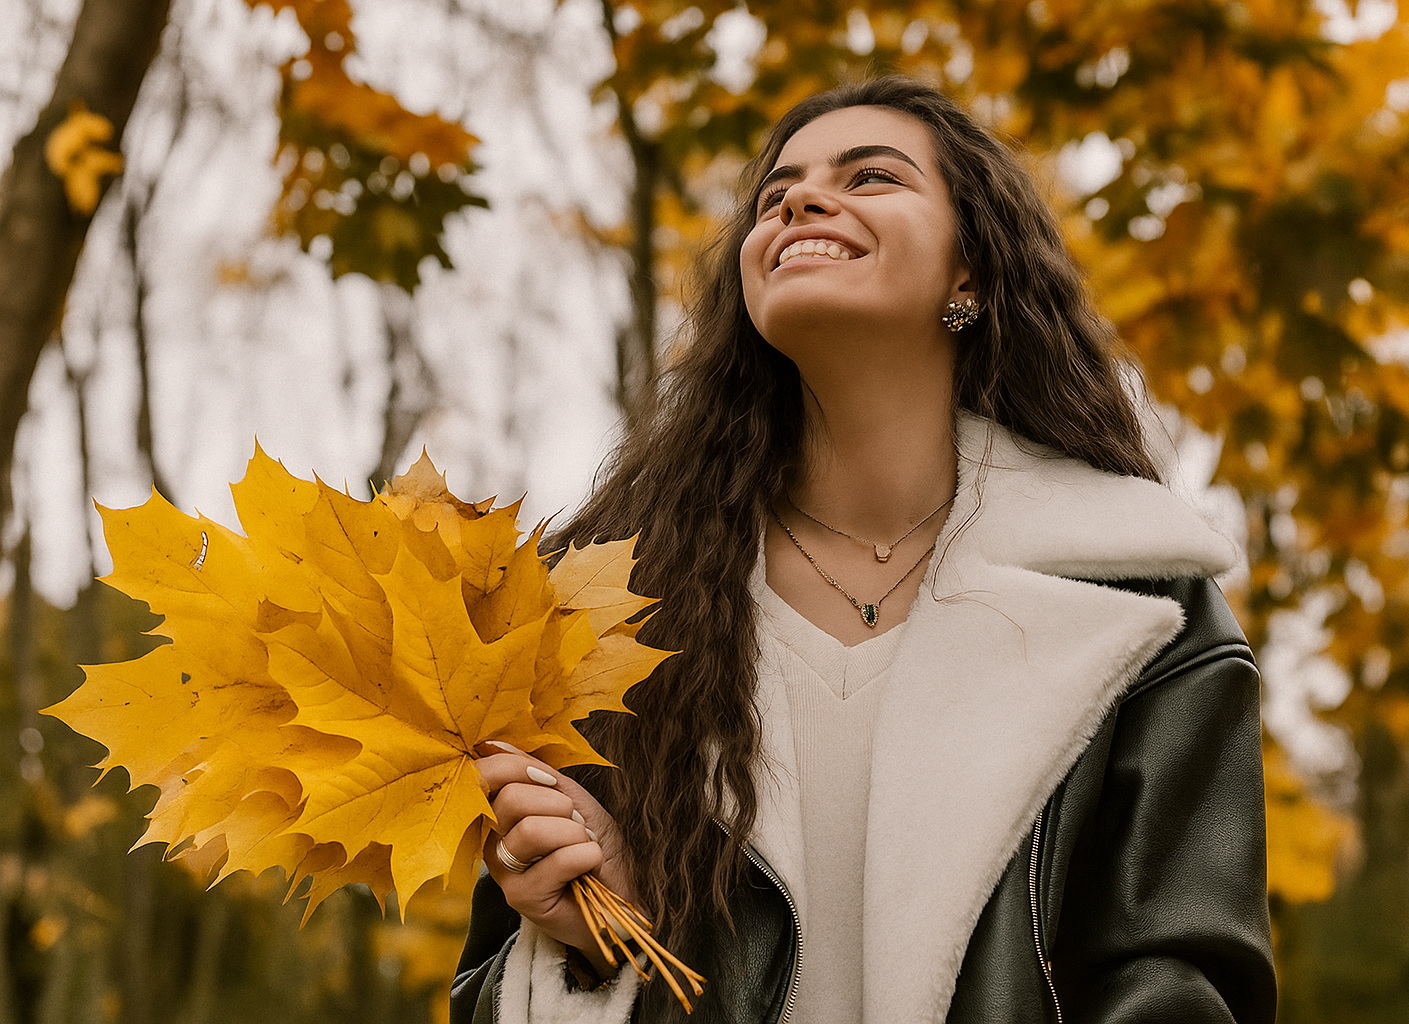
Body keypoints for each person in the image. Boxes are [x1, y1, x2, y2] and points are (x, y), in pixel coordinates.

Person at [452, 76, 1276, 1024]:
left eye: (871, 176)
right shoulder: (604, 615)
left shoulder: (1143, 597)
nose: (801, 198)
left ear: (970, 272)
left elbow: (1184, 982)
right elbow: (484, 997)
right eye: (777, 193)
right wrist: (604, 947)